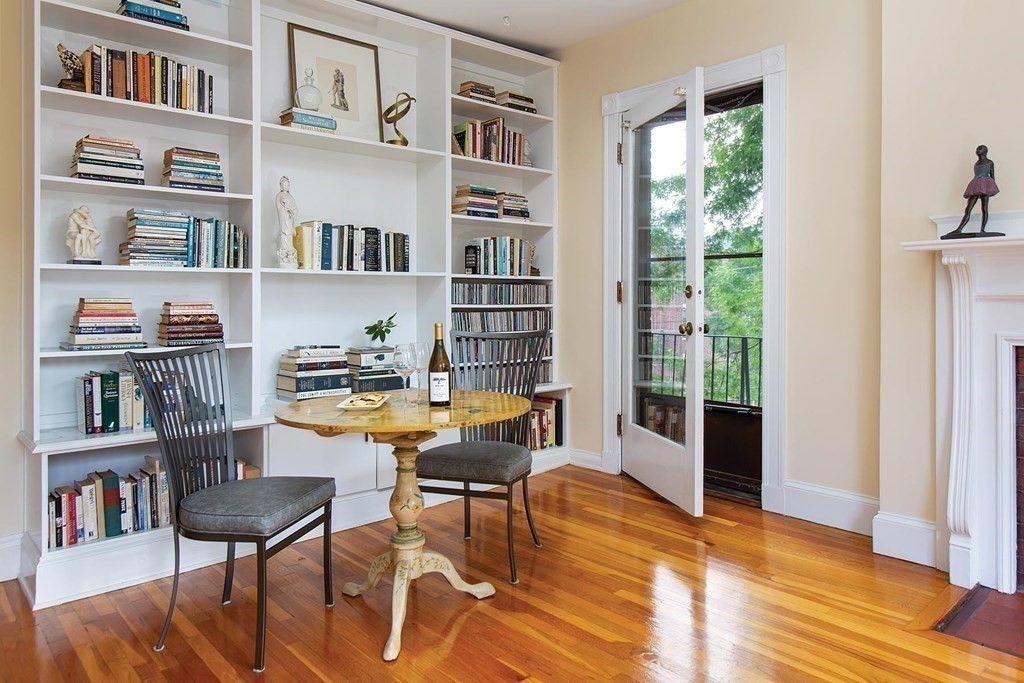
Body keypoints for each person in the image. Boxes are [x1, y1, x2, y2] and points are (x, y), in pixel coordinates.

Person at [950, 145, 999, 235]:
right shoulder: (976, 163)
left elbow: (992, 175)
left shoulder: (989, 162)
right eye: (977, 149)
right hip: (975, 184)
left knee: (984, 208)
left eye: (980, 149)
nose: (977, 150)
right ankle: (959, 229)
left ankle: (982, 229)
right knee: (968, 208)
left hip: (985, 184)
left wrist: (990, 187)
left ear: (985, 151)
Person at [275, 176, 299, 268]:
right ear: (281, 186)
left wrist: (292, 212)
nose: (286, 186)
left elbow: (295, 208)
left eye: (287, 185)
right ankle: (285, 254)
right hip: (284, 218)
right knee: (284, 234)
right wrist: (285, 209)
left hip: (289, 219)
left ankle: (290, 254)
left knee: (289, 236)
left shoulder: (290, 197)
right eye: (284, 185)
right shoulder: (279, 195)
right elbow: (279, 207)